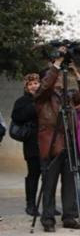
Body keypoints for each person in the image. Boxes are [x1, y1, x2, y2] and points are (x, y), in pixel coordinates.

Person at [33, 53, 80, 232]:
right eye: (55, 77)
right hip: (51, 145)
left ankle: (70, 216)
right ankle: (48, 219)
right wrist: (56, 65)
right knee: (49, 184)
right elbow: (46, 86)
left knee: (71, 183)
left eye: (59, 77)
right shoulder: (42, 96)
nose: (58, 79)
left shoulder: (68, 95)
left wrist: (75, 72)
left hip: (69, 144)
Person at [11, 73, 41, 216]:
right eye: (30, 84)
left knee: (48, 176)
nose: (34, 86)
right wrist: (34, 103)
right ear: (26, 87)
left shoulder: (46, 99)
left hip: (48, 143)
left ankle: (49, 204)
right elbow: (17, 117)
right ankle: (30, 205)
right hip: (32, 144)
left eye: (36, 83)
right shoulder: (22, 101)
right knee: (33, 174)